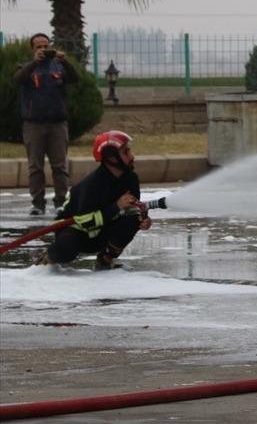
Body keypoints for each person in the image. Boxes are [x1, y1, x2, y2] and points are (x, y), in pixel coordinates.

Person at [38, 131, 153, 271]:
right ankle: (47, 259)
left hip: (102, 231)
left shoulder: (131, 179)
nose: (132, 156)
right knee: (66, 249)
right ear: (112, 157)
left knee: (132, 220)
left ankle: (106, 259)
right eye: (126, 152)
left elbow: (132, 210)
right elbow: (84, 221)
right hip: (76, 231)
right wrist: (116, 206)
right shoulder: (92, 185)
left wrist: (143, 219)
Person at [13, 33, 78, 216]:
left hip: (57, 124)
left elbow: (74, 78)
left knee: (59, 166)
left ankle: (60, 202)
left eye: (45, 46)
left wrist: (65, 61)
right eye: (38, 47)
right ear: (32, 49)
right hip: (34, 125)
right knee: (35, 167)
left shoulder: (58, 66)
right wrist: (34, 63)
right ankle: (38, 204)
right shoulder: (26, 67)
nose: (42, 49)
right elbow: (18, 79)